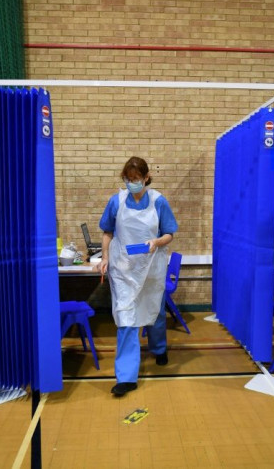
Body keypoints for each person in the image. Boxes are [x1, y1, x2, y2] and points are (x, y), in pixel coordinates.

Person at [97, 156, 178, 397]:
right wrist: (104, 257)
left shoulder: (158, 201)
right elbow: (107, 232)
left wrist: (156, 242)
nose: (131, 183)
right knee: (126, 318)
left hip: (151, 266)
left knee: (154, 310)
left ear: (146, 178)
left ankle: (159, 348)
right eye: (128, 179)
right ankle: (126, 377)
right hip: (123, 269)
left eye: (136, 179)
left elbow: (169, 234)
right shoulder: (116, 201)